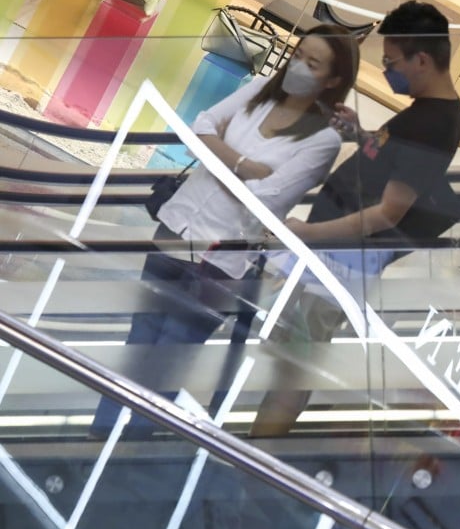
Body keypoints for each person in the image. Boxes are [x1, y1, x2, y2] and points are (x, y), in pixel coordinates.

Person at [92, 24, 358, 437]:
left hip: (222, 260)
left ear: (333, 80)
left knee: (170, 358)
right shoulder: (264, 88)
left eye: (313, 63)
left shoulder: (322, 141)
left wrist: (219, 154)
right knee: (138, 342)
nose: (298, 66)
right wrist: (244, 166)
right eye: (298, 54)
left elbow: (265, 199)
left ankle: (129, 445)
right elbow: (200, 126)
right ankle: (98, 435)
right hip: (176, 226)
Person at [252, 0, 460, 437]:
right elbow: (396, 168)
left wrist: (308, 233)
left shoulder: (434, 124)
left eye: (391, 62)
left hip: (339, 263)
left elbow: (388, 212)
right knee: (287, 360)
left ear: (422, 60)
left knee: (293, 368)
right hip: (331, 256)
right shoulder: (426, 111)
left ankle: (255, 454)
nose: (387, 72)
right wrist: (362, 135)